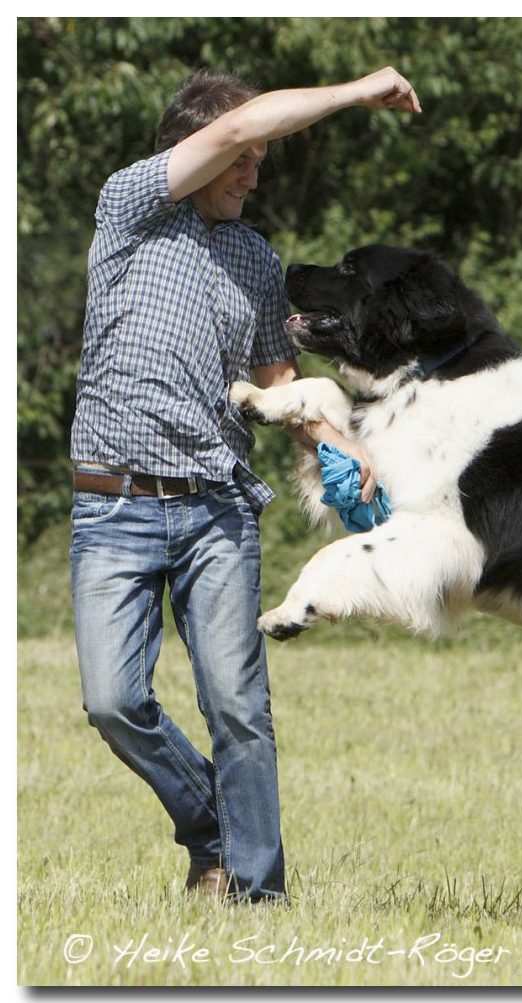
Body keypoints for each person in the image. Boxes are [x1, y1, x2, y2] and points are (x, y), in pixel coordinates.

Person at [69, 65, 421, 902]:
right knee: (113, 701)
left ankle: (257, 893)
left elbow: (279, 383)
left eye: (260, 161)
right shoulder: (130, 210)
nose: (252, 173)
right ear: (194, 147)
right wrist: (356, 93)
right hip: (112, 503)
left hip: (216, 511)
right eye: (243, 159)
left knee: (238, 708)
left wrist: (342, 447)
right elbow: (233, 126)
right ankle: (214, 831)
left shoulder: (256, 259)